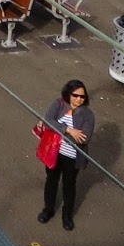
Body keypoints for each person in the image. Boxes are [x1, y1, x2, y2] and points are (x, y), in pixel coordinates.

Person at [37, 79, 94, 231]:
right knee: (51, 180)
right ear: (68, 94)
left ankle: (67, 216)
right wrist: (69, 130)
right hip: (54, 152)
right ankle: (48, 209)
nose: (79, 99)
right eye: (75, 95)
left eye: (82, 96)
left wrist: (58, 129)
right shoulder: (59, 104)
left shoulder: (88, 114)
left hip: (72, 157)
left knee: (69, 185)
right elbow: (48, 120)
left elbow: (84, 137)